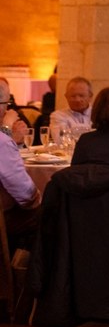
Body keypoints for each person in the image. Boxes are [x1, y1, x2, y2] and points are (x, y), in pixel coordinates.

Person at [0, 80, 39, 251]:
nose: (8, 109)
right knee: (54, 213)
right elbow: (25, 195)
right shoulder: (2, 142)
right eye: (7, 103)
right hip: (3, 220)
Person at [50, 77, 93, 143]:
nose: (77, 100)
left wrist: (72, 131)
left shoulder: (99, 114)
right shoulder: (58, 116)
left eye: (81, 96)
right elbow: (59, 140)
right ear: (66, 97)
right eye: (73, 96)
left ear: (90, 96)